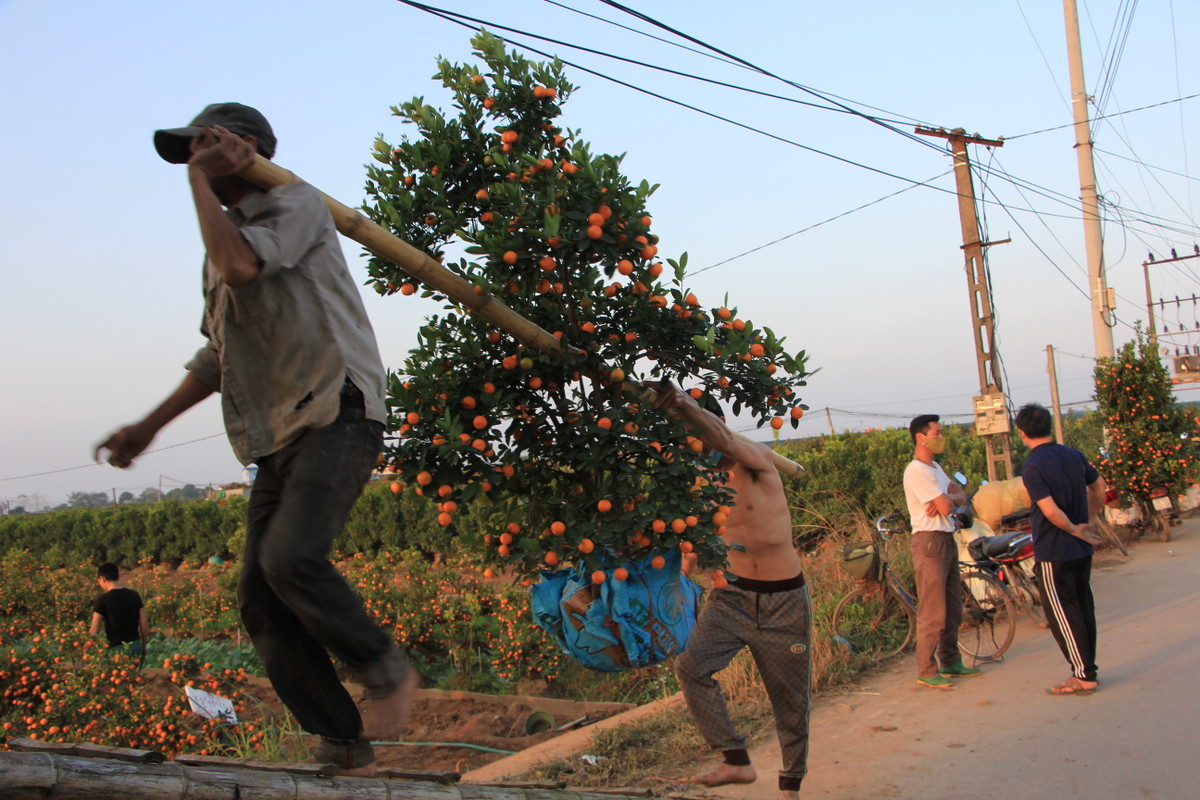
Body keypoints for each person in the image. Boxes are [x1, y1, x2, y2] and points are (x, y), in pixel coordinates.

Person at [95, 103, 416, 776]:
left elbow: (244, 268)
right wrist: (147, 427)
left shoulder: (296, 204)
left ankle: (383, 665)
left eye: (202, 149)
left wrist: (196, 185)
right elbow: (218, 354)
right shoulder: (222, 244)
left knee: (292, 555)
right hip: (275, 436)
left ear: (243, 149)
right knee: (259, 600)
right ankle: (341, 737)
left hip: (337, 411)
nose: (193, 164)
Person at [655, 384, 810, 800]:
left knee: (790, 701)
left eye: (693, 427)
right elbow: (693, 545)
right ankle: (736, 759)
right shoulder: (699, 481)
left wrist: (685, 404)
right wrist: (678, 586)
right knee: (690, 667)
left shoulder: (756, 459)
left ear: (715, 423)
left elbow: (723, 440)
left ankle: (791, 786)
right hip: (731, 597)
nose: (691, 440)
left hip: (784, 600)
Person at [1014, 403, 1106, 696]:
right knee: (1082, 608)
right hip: (1081, 548)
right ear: (1049, 426)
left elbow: (1050, 512)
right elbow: (1099, 487)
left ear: (1022, 433)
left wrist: (1072, 528)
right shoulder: (1073, 455)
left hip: (1055, 550)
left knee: (1063, 616)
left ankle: (1083, 675)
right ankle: (1087, 668)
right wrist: (1088, 521)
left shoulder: (1033, 466)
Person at [903, 414, 982, 689]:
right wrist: (949, 500)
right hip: (929, 542)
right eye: (937, 433)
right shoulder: (917, 471)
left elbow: (958, 496)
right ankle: (926, 668)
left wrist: (947, 498)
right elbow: (951, 506)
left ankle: (950, 661)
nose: (941, 437)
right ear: (921, 437)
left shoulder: (935, 467)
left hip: (946, 538)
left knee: (953, 607)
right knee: (933, 608)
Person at [89, 562, 150, 663]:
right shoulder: (134, 595)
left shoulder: (102, 600)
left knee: (117, 677)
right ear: (118, 576)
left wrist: (87, 650)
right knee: (133, 677)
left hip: (116, 650)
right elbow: (143, 622)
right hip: (135, 646)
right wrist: (143, 644)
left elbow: (94, 629)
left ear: (102, 579)